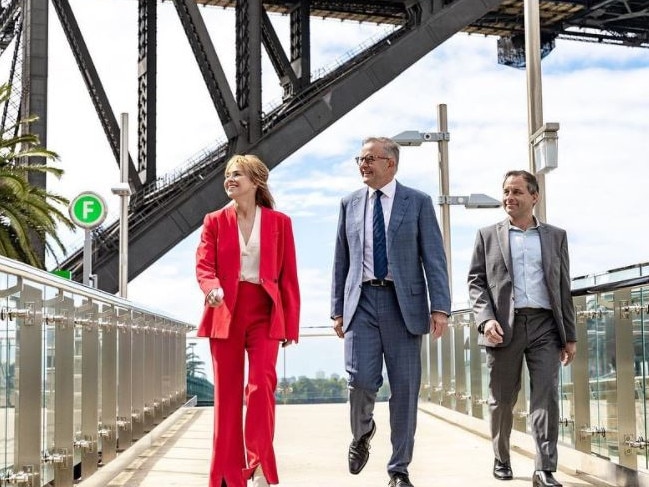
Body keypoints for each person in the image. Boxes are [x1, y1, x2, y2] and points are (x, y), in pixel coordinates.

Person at [330, 136, 451, 487]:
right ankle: (363, 431)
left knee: (405, 389)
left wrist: (440, 307)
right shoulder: (348, 204)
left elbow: (434, 258)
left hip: (404, 305)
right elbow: (341, 259)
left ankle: (399, 469)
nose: (363, 165)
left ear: (390, 164)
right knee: (360, 381)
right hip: (361, 303)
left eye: (370, 159)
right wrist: (337, 309)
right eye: (360, 159)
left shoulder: (418, 202)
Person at [195, 154, 300, 487]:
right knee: (226, 397)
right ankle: (227, 475)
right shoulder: (213, 220)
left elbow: (288, 277)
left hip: (265, 314)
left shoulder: (279, 222)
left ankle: (257, 466)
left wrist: (290, 324)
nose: (229, 180)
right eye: (227, 175)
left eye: (237, 174)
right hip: (224, 313)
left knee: (260, 387)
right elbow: (204, 266)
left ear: (256, 181)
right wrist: (211, 290)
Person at [467, 170, 576, 487]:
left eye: (516, 192)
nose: (508, 198)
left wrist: (569, 336)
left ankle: (544, 468)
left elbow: (562, 287)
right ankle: (501, 458)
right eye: (505, 192)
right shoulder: (488, 236)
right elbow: (476, 283)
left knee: (546, 397)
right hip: (503, 326)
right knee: (501, 399)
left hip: (545, 326)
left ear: (534, 196)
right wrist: (486, 320)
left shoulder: (556, 236)